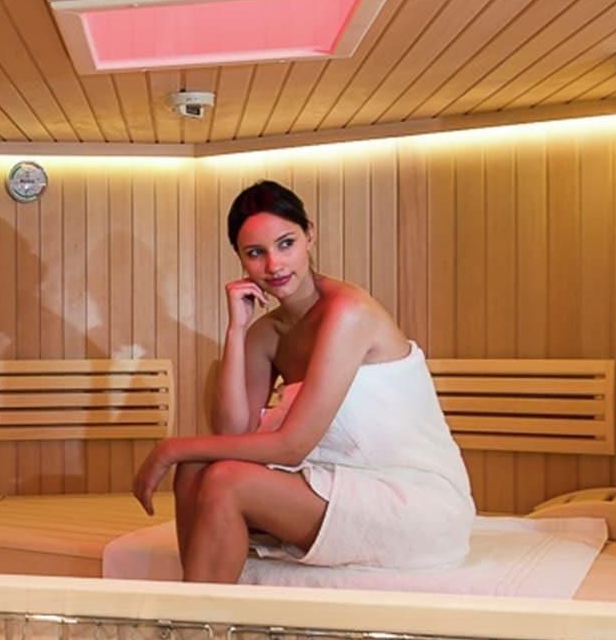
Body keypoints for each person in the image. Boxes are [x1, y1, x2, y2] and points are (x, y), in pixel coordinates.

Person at [132, 181, 474, 583]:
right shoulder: (266, 333)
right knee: (195, 470)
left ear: (309, 235)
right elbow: (232, 433)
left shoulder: (348, 313)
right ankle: (199, 602)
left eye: (286, 244)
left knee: (224, 480)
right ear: (240, 258)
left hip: (412, 501)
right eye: (255, 253)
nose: (274, 265)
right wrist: (236, 331)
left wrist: (170, 449)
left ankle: (197, 614)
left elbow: (292, 447)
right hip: (336, 485)